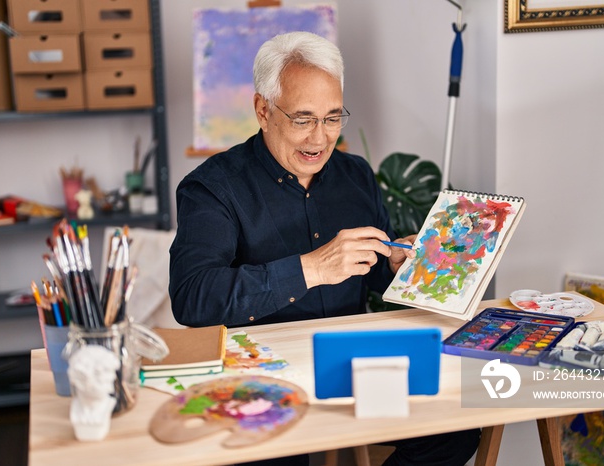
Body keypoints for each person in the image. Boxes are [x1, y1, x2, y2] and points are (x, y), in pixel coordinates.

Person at [170, 31, 480, 466]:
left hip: (349, 361)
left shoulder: (355, 175)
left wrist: (394, 262)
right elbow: (193, 298)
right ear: (263, 110)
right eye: (303, 119)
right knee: (277, 453)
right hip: (262, 374)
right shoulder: (212, 188)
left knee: (454, 431)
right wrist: (311, 269)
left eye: (333, 118)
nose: (320, 139)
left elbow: (371, 268)